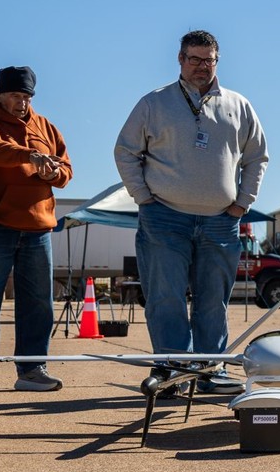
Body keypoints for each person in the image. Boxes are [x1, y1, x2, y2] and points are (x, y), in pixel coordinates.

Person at [115, 31, 268, 395]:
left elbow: (257, 156)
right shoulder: (154, 103)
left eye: (209, 60)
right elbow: (125, 152)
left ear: (218, 61)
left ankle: (211, 372)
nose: (202, 66)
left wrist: (242, 203)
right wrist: (143, 197)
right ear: (180, 60)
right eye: (194, 59)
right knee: (165, 297)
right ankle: (171, 371)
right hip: (164, 217)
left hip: (221, 221)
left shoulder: (238, 105)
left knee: (213, 300)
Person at [0, 66, 73, 395]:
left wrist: (53, 173)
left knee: (39, 302)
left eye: (26, 97)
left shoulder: (45, 126)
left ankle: (32, 370)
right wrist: (31, 155)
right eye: (15, 96)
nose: (21, 103)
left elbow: (67, 170)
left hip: (39, 230)